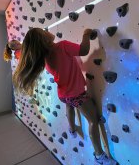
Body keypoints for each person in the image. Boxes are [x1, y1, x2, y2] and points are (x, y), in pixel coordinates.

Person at [13, 28, 118, 165]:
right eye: (44, 32)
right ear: (44, 39)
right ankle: (99, 156)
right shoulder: (62, 46)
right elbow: (84, 50)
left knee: (69, 107)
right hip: (76, 94)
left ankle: (72, 129)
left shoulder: (45, 58)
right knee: (93, 120)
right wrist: (86, 34)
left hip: (63, 94)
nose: (47, 31)